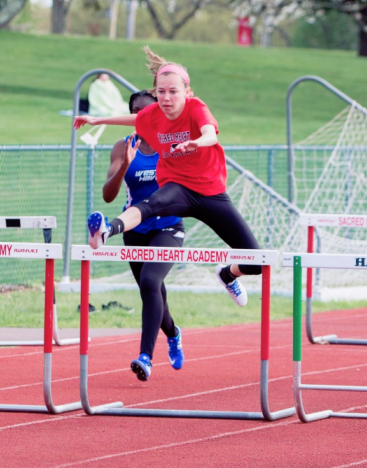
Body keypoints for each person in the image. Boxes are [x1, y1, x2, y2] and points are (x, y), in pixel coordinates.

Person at [76, 46, 261, 311]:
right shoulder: (153, 115)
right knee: (150, 204)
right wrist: (97, 120)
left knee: (256, 261)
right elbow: (135, 118)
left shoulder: (197, 109)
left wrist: (195, 143)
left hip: (210, 193)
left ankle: (228, 274)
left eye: (173, 92)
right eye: (160, 92)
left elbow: (211, 135)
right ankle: (107, 229)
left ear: (187, 92)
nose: (166, 98)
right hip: (177, 187)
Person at [96, 90, 185, 382]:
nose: (143, 117)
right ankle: (172, 332)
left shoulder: (171, 144)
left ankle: (145, 357)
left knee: (150, 281)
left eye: (150, 111)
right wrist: (124, 165)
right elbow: (108, 196)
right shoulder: (124, 145)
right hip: (134, 228)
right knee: (151, 290)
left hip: (167, 226)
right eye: (137, 112)